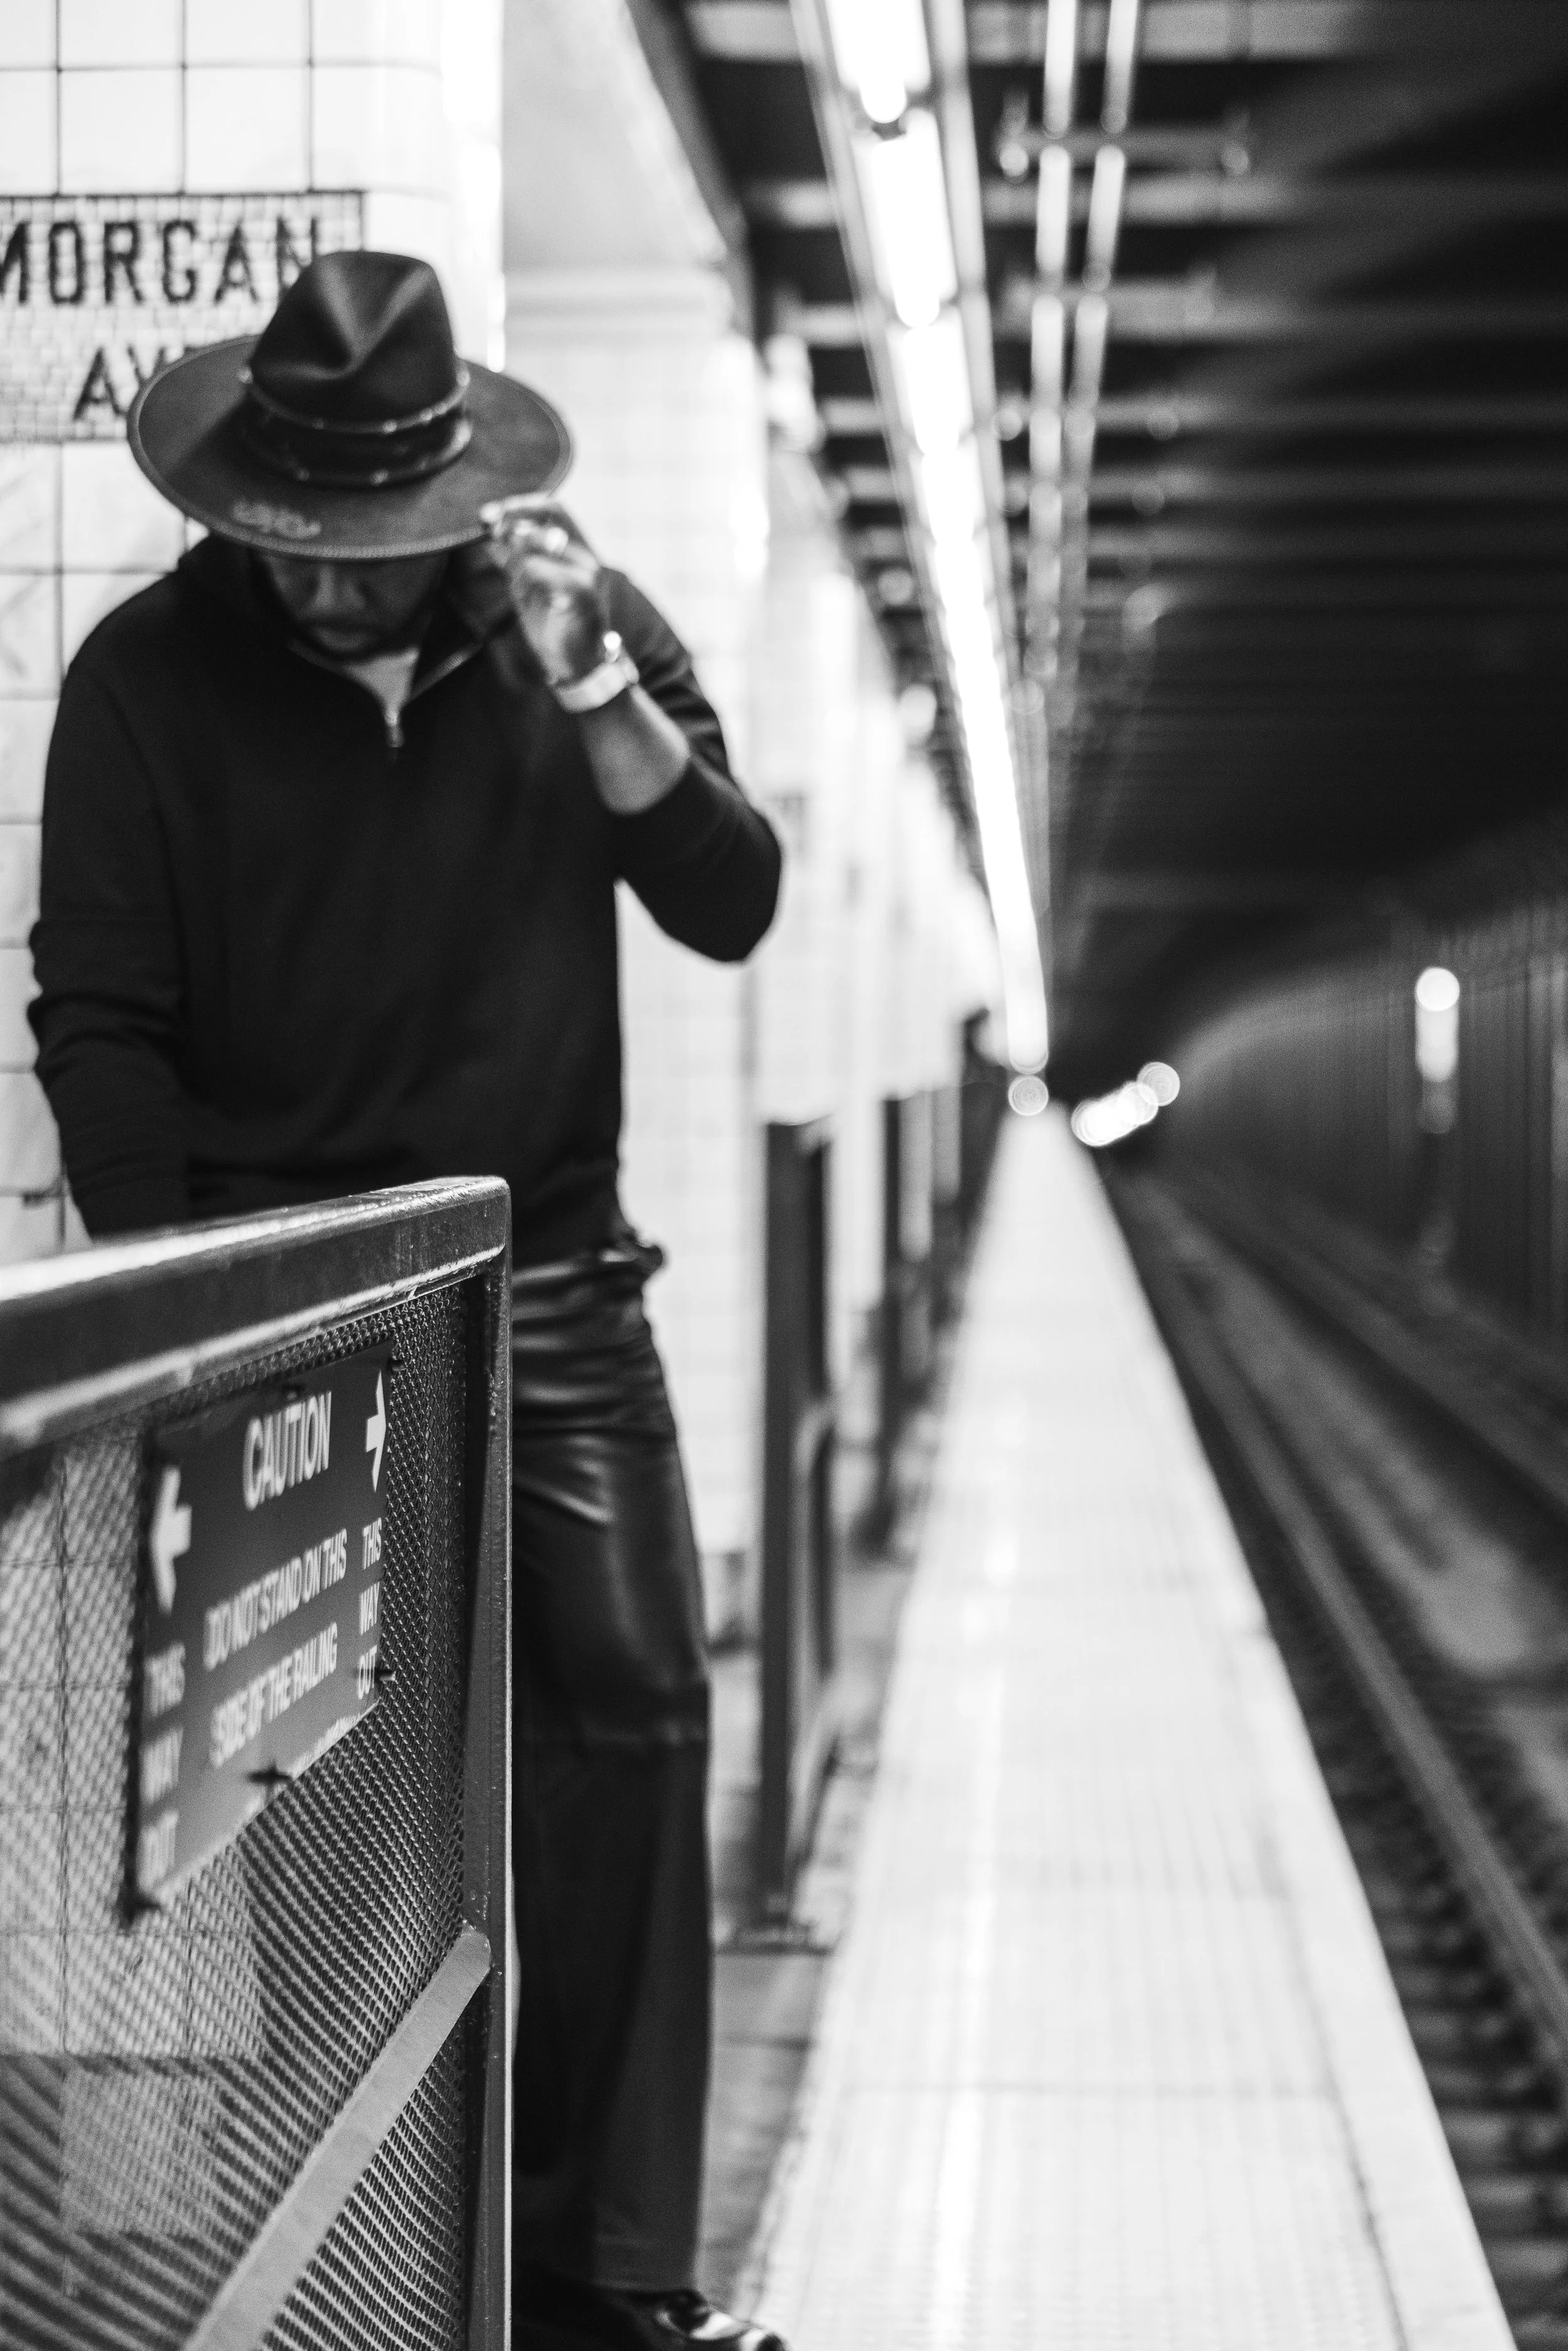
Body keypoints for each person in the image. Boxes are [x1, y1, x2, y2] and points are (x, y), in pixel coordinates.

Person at [29, 250, 785, 2351]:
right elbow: (101, 1023)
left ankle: (602, 2275)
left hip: (543, 1283)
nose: (336, 590)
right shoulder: (145, 685)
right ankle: (330, 2257)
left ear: (451, 501)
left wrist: (601, 696)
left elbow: (732, 900)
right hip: (284, 1310)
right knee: (294, 1791)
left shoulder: (574, 633)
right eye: (298, 549)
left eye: (373, 552)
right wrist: (179, 1318)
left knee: (632, 1707)